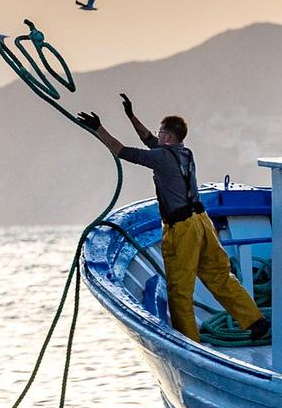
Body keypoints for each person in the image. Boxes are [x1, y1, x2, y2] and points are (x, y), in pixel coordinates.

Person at [77, 94, 268, 344]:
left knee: (179, 290)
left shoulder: (161, 157)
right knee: (219, 276)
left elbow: (122, 151)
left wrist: (98, 128)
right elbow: (149, 140)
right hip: (203, 222)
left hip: (182, 229)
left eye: (160, 133)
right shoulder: (185, 153)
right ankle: (255, 321)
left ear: (167, 137)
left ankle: (190, 343)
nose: (156, 136)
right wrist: (131, 116)